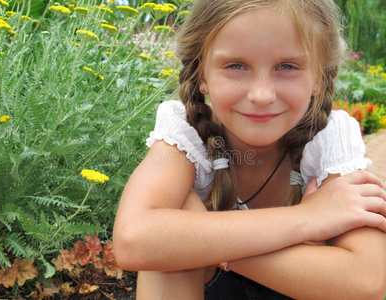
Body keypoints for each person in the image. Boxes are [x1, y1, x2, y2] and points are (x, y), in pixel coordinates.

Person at [113, 0, 386, 299]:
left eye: (286, 67)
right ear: (202, 75)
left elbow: (369, 280)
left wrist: (195, 240)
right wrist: (308, 219)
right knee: (170, 233)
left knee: (171, 232)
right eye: (236, 65)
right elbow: (133, 239)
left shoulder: (330, 137)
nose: (261, 95)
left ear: (319, 78)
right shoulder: (186, 133)